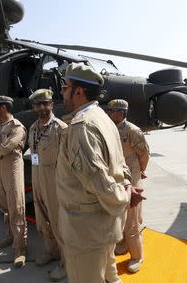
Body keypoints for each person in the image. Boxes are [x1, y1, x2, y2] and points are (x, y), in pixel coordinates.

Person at [56, 62, 146, 283]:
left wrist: (124, 196)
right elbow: (120, 164)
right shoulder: (103, 118)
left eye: (65, 87)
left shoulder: (82, 127)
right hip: (105, 226)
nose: (62, 92)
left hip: (87, 232)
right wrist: (126, 187)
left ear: (78, 91)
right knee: (111, 277)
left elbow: (97, 180)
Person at [28, 89, 68, 281]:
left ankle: (66, 263)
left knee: (58, 220)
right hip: (37, 177)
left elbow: (68, 160)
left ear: (52, 105)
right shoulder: (33, 127)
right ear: (34, 107)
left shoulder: (60, 128)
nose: (42, 108)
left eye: (46, 104)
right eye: (38, 104)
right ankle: (51, 251)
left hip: (54, 179)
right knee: (42, 218)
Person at [106, 99, 150, 273]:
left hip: (131, 176)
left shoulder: (132, 131)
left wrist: (141, 170)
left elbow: (144, 153)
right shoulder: (110, 129)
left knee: (132, 219)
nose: (110, 113)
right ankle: (124, 243)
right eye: (109, 110)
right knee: (121, 216)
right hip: (118, 176)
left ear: (122, 112)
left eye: (113, 110)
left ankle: (137, 255)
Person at [0, 95, 28, 267]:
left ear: (3, 107)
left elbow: (5, 148)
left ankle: (20, 248)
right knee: (4, 205)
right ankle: (10, 236)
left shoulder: (17, 127)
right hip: (0, 167)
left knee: (16, 206)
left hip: (12, 168)